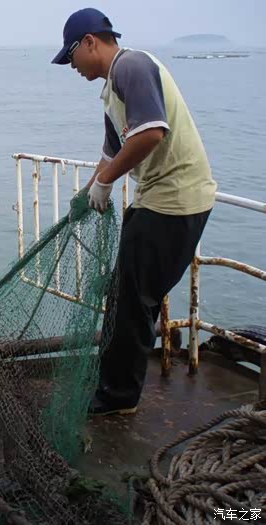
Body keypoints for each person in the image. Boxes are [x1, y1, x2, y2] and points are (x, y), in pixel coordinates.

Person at [52, 9, 217, 415]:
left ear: (90, 42)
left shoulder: (133, 66)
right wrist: (88, 193)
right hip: (154, 199)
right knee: (124, 297)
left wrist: (107, 183)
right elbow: (111, 154)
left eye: (71, 55)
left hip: (175, 201)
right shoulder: (111, 90)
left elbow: (151, 134)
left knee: (132, 302)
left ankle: (118, 397)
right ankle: (113, 384)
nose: (71, 65)